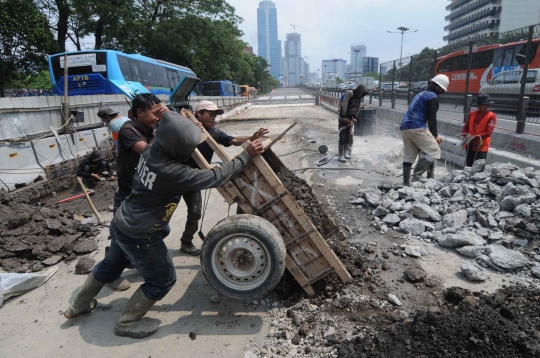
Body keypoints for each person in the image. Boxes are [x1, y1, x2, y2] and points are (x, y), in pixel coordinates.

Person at [64, 111, 264, 339]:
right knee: (163, 280)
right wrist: (244, 156)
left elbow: (170, 125)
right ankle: (127, 322)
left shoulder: (152, 149)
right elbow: (215, 177)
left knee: (110, 266)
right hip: (141, 234)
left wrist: (190, 125)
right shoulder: (172, 172)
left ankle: (77, 305)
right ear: (178, 147)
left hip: (122, 222)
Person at [179, 101, 269, 256]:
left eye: (215, 115)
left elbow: (233, 140)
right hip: (176, 175)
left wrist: (252, 137)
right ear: (199, 114)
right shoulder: (185, 127)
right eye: (210, 114)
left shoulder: (213, 132)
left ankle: (186, 242)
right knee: (163, 212)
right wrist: (187, 121)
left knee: (195, 212)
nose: (213, 118)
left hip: (193, 179)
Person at [399, 74, 449, 185]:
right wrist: (435, 135)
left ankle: (406, 182)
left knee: (409, 155)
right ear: (439, 88)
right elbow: (432, 118)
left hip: (405, 127)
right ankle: (417, 176)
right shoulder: (432, 97)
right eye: (442, 90)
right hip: (417, 126)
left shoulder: (420, 94)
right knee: (433, 150)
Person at [461, 93, 496, 167]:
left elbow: (488, 133)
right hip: (470, 143)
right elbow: (466, 127)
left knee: (479, 166)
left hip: (481, 145)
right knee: (468, 165)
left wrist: (473, 137)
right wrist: (464, 134)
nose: (479, 107)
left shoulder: (491, 116)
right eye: (478, 105)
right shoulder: (472, 114)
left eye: (481, 105)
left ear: (487, 105)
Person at [338, 84, 369, 162]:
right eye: (361, 93)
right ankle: (340, 155)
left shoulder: (359, 98)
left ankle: (346, 153)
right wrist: (345, 117)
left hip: (350, 119)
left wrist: (355, 117)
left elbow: (357, 108)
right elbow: (344, 105)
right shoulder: (350, 93)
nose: (361, 95)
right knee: (342, 137)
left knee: (348, 137)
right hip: (343, 118)